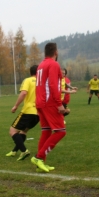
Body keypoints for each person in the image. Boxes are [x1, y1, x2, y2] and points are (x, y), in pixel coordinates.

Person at [31, 42, 66, 173]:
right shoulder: (53, 64)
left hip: (40, 102)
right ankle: (39, 157)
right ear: (56, 52)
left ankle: (40, 163)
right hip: (49, 102)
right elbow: (52, 84)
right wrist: (59, 104)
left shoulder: (41, 65)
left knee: (46, 132)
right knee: (61, 131)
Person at [6, 65, 39, 161]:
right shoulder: (42, 82)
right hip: (38, 113)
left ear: (30, 72)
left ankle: (24, 151)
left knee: (12, 131)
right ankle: (14, 151)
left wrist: (16, 105)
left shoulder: (28, 80)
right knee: (23, 131)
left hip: (28, 111)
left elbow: (24, 93)